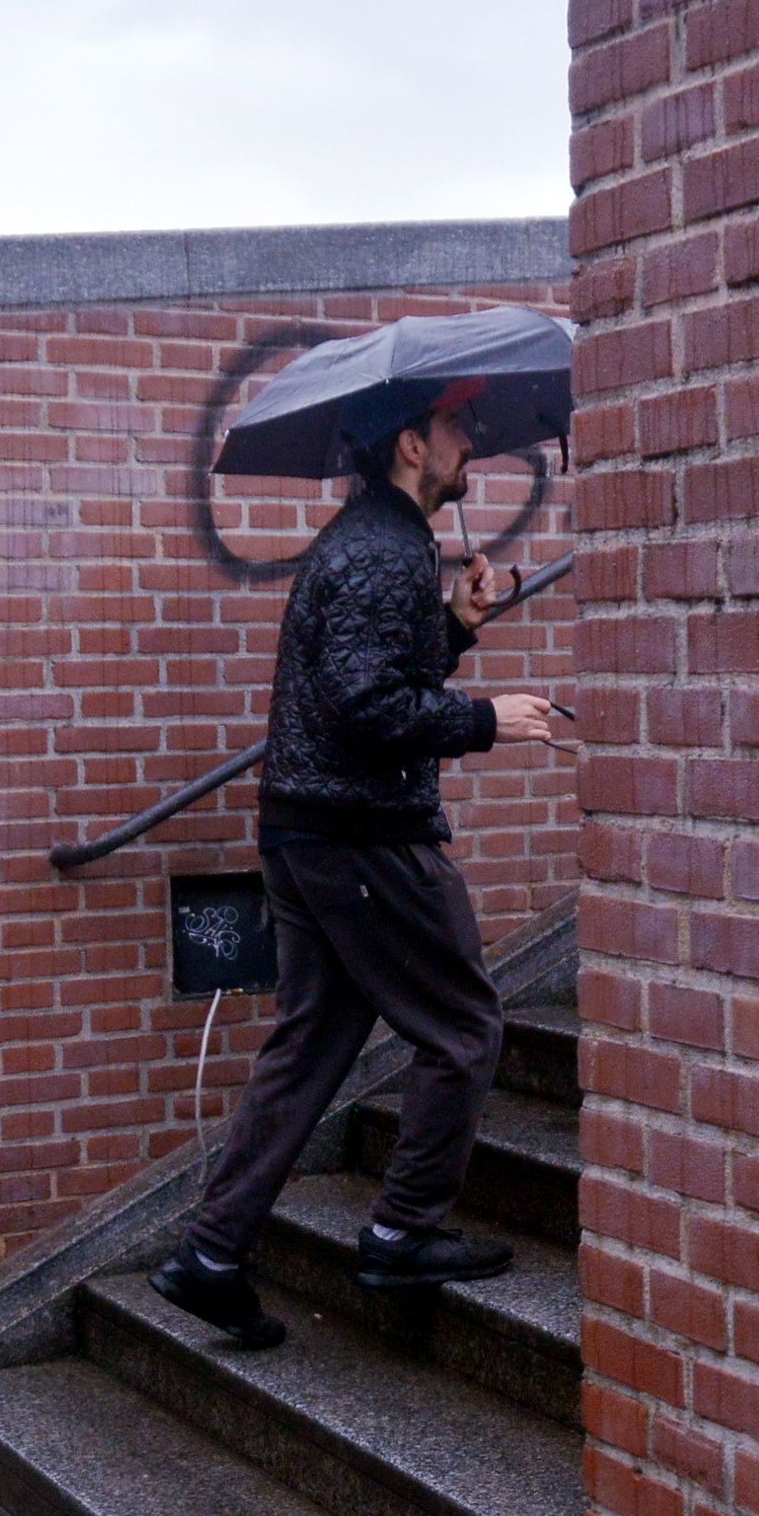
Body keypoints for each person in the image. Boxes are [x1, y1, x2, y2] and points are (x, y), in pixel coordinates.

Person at [153, 380, 563, 1349]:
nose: (471, 443)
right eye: (456, 427)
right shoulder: (380, 549)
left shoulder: (370, 541)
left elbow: (370, 674)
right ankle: (401, 1229)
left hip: (308, 836)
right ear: (410, 448)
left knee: (309, 1051)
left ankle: (209, 1253)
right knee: (462, 1027)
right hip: (363, 839)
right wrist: (483, 719)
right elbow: (364, 709)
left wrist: (456, 627)